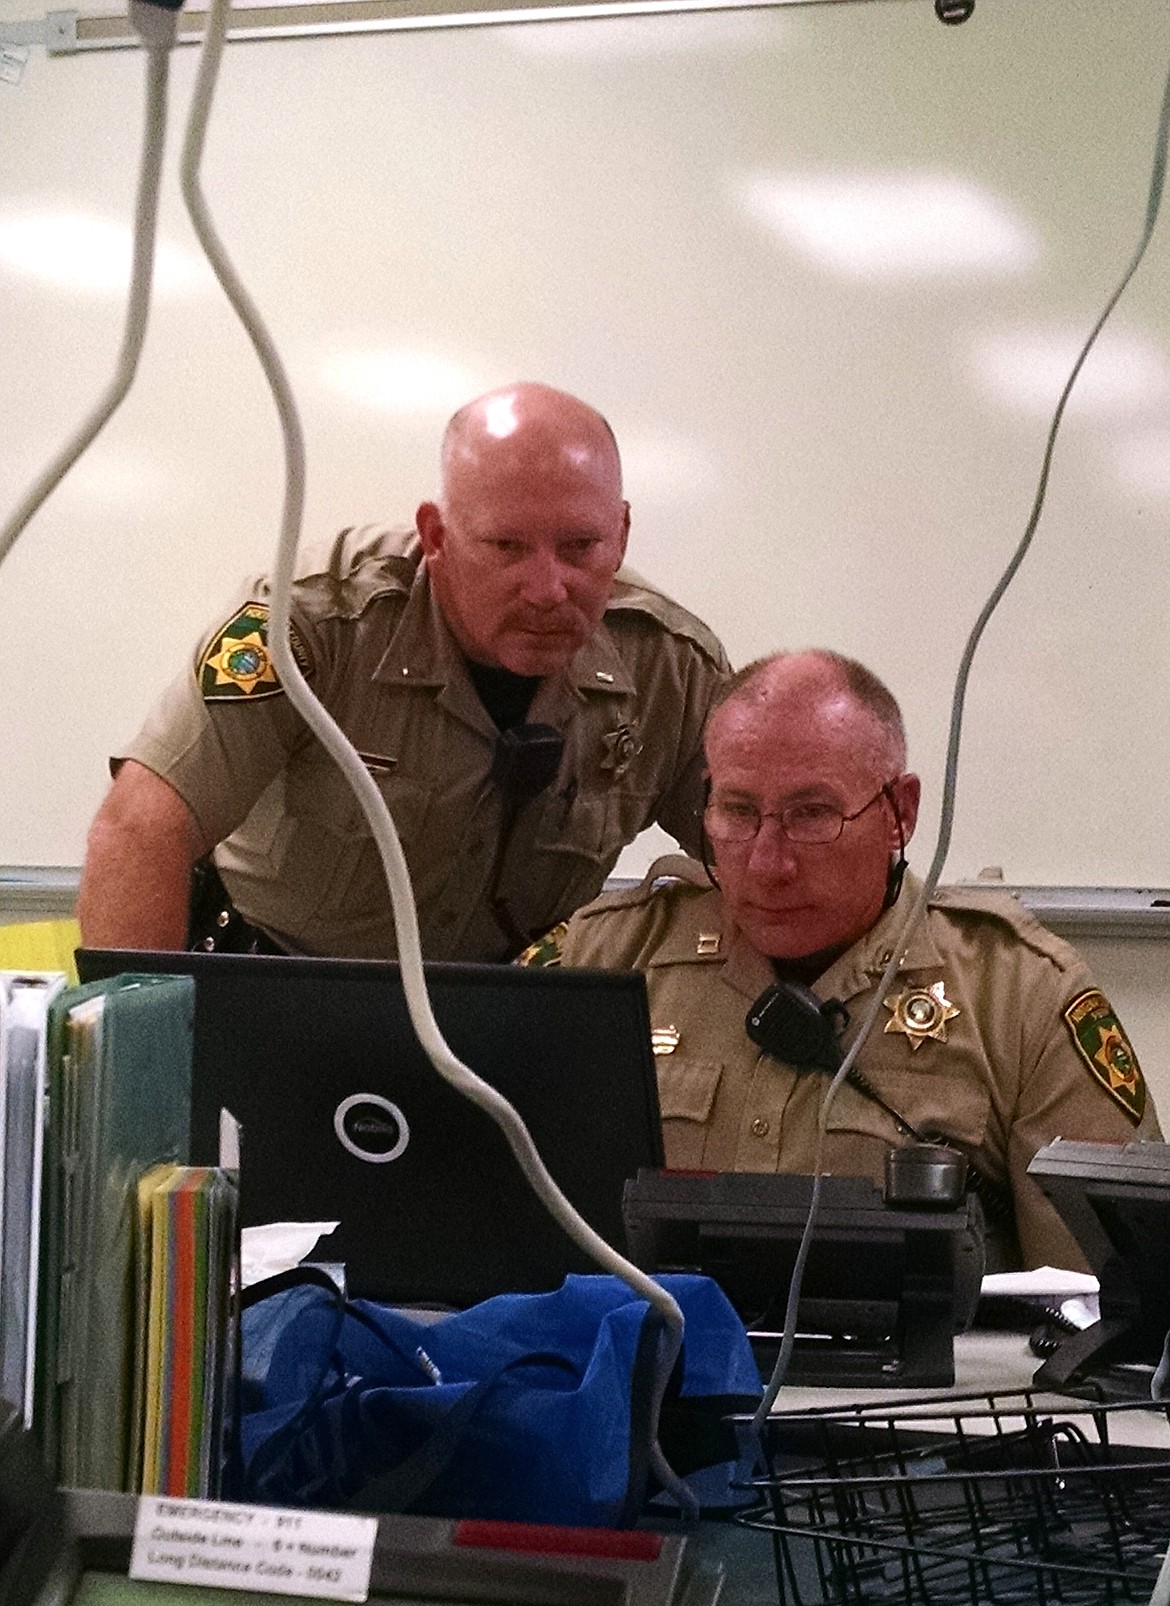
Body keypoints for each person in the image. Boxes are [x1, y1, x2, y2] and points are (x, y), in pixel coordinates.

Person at [540, 650, 1160, 1270]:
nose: (767, 864)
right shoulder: (607, 959)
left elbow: (1102, 1306)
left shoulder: (1020, 995)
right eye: (737, 811)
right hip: (654, 1360)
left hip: (924, 1365)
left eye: (813, 815)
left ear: (900, 814)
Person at [77, 383, 729, 961]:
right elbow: (141, 830)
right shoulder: (313, 624)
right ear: (436, 535)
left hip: (506, 1012)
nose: (548, 588)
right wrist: (140, 1068)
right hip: (273, 977)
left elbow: (767, 855)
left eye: (580, 547)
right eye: (507, 546)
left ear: (620, 532)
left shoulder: (669, 666)